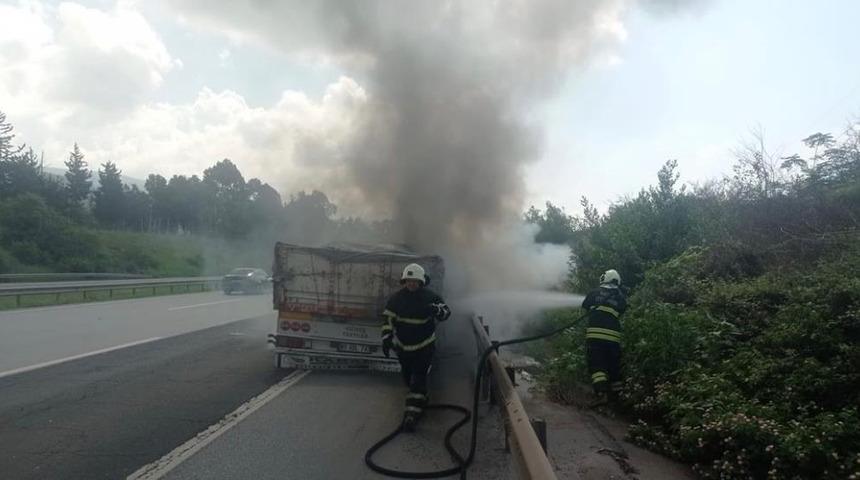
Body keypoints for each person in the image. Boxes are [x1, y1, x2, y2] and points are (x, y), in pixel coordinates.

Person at [380, 263, 451, 431]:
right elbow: (388, 319)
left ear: (421, 282)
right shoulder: (396, 299)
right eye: (408, 281)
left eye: (415, 281)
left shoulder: (431, 297)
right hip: (403, 347)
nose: (411, 284)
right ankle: (421, 399)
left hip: (424, 346)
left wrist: (436, 310)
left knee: (418, 378)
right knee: (407, 377)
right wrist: (386, 338)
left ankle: (411, 415)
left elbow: (446, 313)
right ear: (404, 281)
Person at [581, 269, 627, 404]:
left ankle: (601, 394)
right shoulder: (620, 297)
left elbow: (585, 306)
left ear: (604, 278)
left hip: (595, 337)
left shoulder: (594, 293)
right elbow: (622, 310)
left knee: (597, 365)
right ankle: (617, 399)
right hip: (613, 338)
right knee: (614, 367)